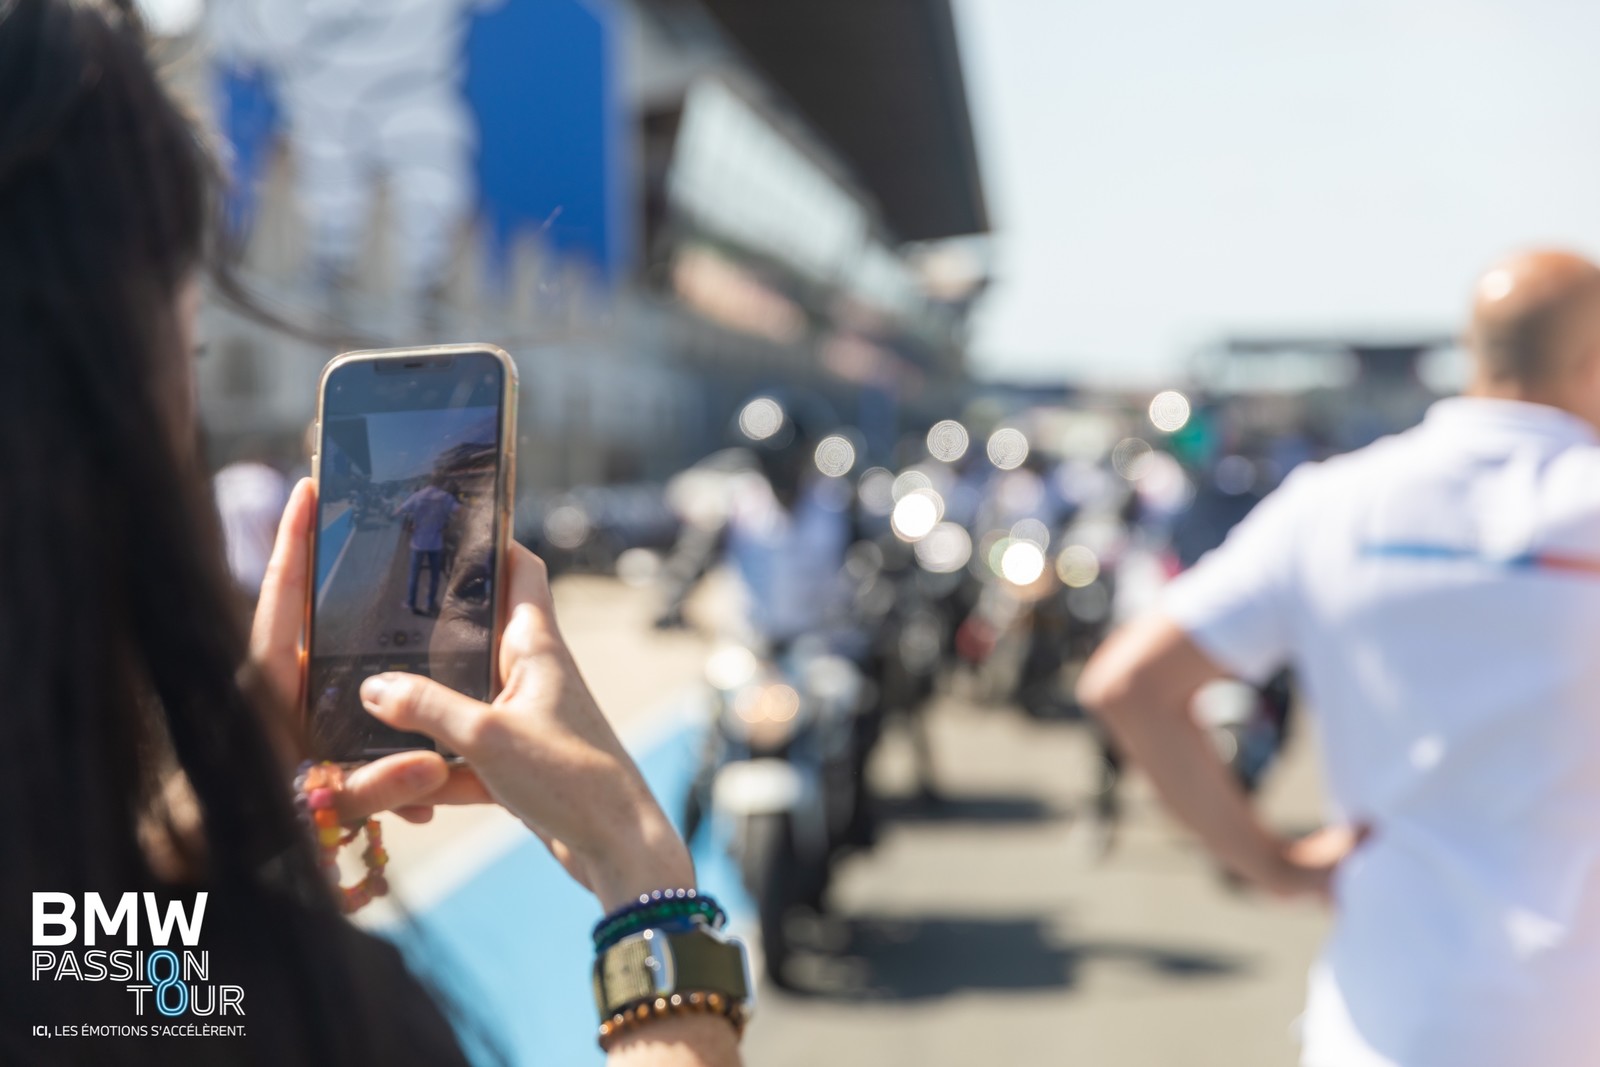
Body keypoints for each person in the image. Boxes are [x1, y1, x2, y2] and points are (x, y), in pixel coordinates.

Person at [0, 3, 740, 1065]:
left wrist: (196, 841)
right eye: (191, 349)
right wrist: (644, 880)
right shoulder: (287, 1010)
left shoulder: (115, 974)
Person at [1077, 249, 1600, 1067]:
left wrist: (1271, 864)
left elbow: (1128, 684)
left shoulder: (1337, 504)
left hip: (1389, 1030)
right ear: (1590, 360)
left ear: (1477, 353)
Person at [395, 473, 460, 615]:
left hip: (418, 543)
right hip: (436, 543)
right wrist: (447, 524)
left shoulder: (417, 496)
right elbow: (460, 511)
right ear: (441, 483)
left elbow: (398, 512)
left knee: (414, 575)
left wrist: (407, 526)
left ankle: (411, 603)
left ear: (428, 482)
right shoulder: (445, 497)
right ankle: (430, 603)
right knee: (435, 575)